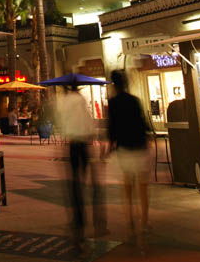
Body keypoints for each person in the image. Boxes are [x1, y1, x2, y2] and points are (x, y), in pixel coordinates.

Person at [57, 86, 107, 248]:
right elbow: (88, 122)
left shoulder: (65, 101)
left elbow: (63, 122)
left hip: (73, 144)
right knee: (89, 182)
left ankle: (78, 219)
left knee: (75, 182)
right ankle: (97, 220)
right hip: (84, 144)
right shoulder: (80, 100)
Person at [107, 69, 152, 243]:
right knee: (143, 188)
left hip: (124, 149)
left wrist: (110, 146)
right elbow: (143, 123)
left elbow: (112, 128)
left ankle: (131, 223)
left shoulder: (113, 103)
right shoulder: (134, 101)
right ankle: (145, 222)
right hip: (140, 147)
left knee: (127, 188)